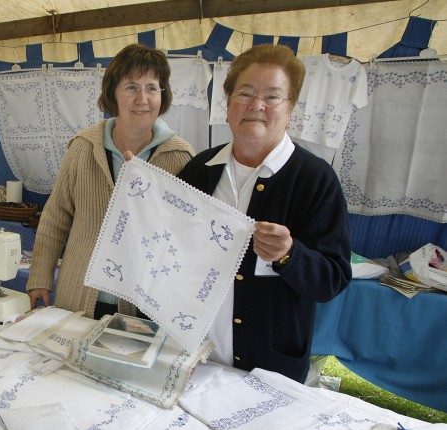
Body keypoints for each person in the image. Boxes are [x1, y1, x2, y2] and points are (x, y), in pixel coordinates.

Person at [177, 44, 351, 383]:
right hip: (197, 359)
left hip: (269, 367)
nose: (256, 105)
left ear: (290, 110)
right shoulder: (200, 169)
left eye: (272, 97)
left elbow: (332, 279)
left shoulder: (314, 179)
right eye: (245, 93)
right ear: (228, 104)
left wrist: (289, 255)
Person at [27, 43, 195, 320]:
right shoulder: (83, 147)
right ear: (112, 94)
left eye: (152, 88)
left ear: (162, 95)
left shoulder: (179, 157)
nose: (142, 98)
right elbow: (56, 217)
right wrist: (40, 278)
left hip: (146, 305)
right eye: (131, 87)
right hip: (79, 295)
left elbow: (186, 238)